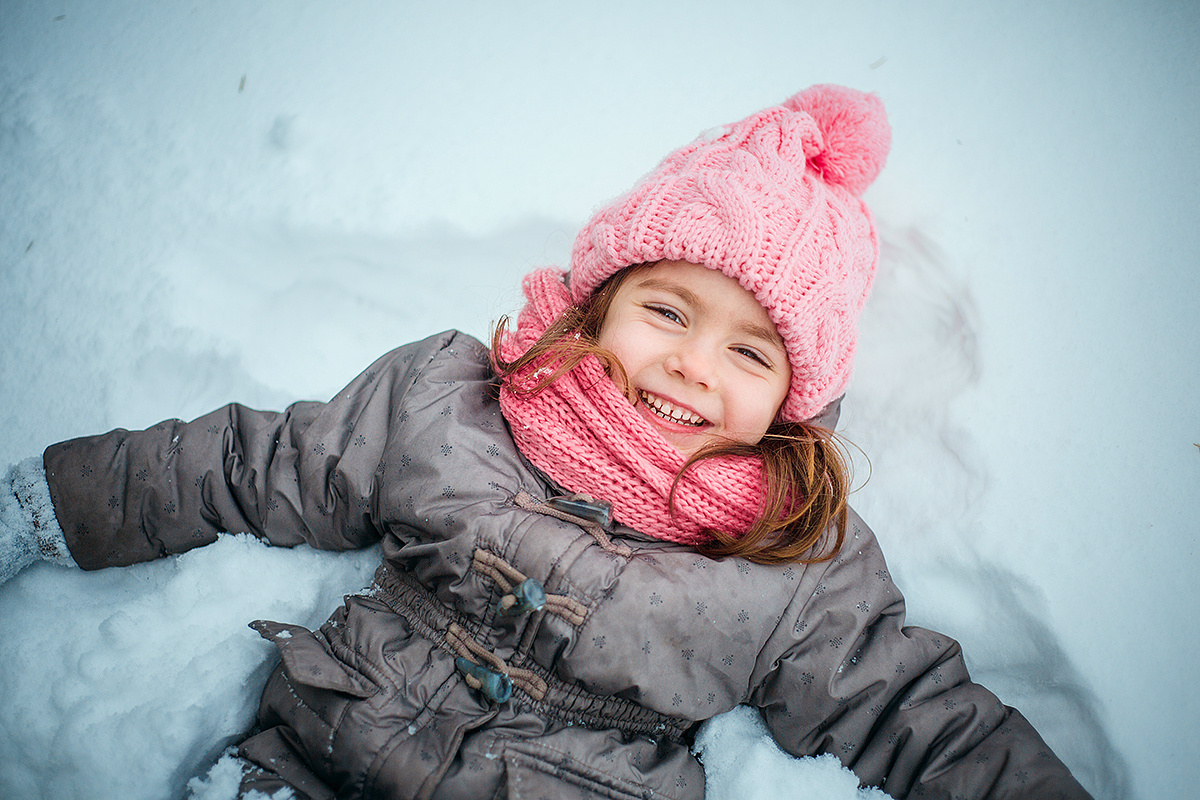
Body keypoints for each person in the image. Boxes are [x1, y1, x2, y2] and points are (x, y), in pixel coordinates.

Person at [0, 85, 1091, 799]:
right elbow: (249, 463)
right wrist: (44, 504)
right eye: (668, 311)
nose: (693, 364)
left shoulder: (790, 564)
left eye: (752, 354)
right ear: (597, 301)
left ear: (795, 407)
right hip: (320, 757)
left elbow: (913, 709)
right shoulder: (453, 402)